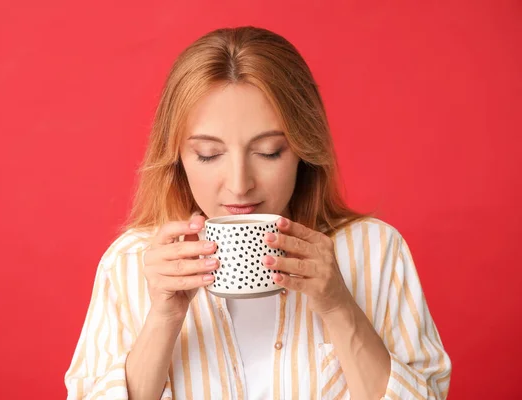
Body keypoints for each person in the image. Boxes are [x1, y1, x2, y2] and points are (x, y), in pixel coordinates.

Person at [64, 26, 451, 400]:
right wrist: (163, 318)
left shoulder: (375, 250)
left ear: (303, 149)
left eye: (268, 151)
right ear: (177, 158)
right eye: (208, 155)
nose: (239, 184)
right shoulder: (129, 262)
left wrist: (337, 305)